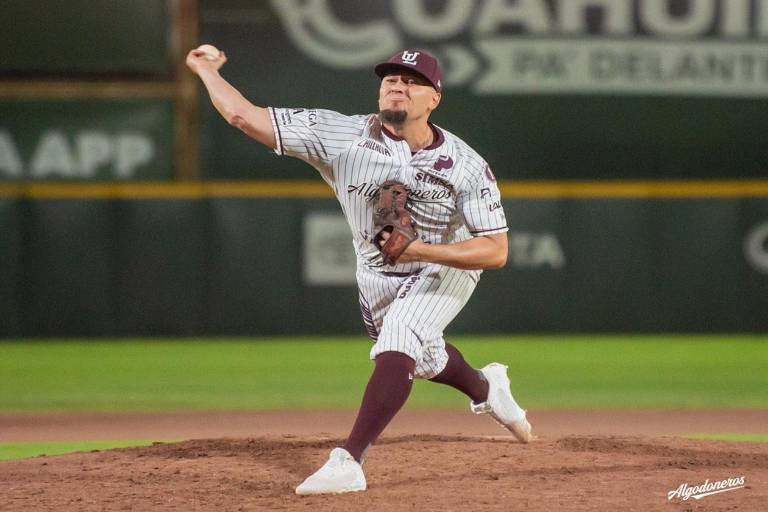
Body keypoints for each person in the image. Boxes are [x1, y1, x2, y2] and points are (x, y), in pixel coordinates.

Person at [186, 46, 533, 496]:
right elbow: (242, 116)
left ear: (434, 99)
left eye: (411, 80)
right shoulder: (341, 135)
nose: (396, 84)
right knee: (421, 358)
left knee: (402, 338)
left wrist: (422, 250)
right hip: (376, 274)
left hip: (445, 265)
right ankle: (487, 387)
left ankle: (349, 460)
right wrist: (205, 69)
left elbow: (496, 250)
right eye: (390, 77)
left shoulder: (465, 164)